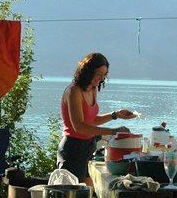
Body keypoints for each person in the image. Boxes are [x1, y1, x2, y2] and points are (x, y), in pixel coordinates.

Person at [57, 52, 136, 185]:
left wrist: (115, 115)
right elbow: (80, 126)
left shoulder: (93, 90)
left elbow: (90, 121)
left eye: (104, 75)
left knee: (88, 193)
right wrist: (113, 131)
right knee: (72, 197)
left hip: (88, 146)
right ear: (87, 70)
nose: (101, 78)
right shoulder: (73, 91)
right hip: (72, 149)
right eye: (99, 74)